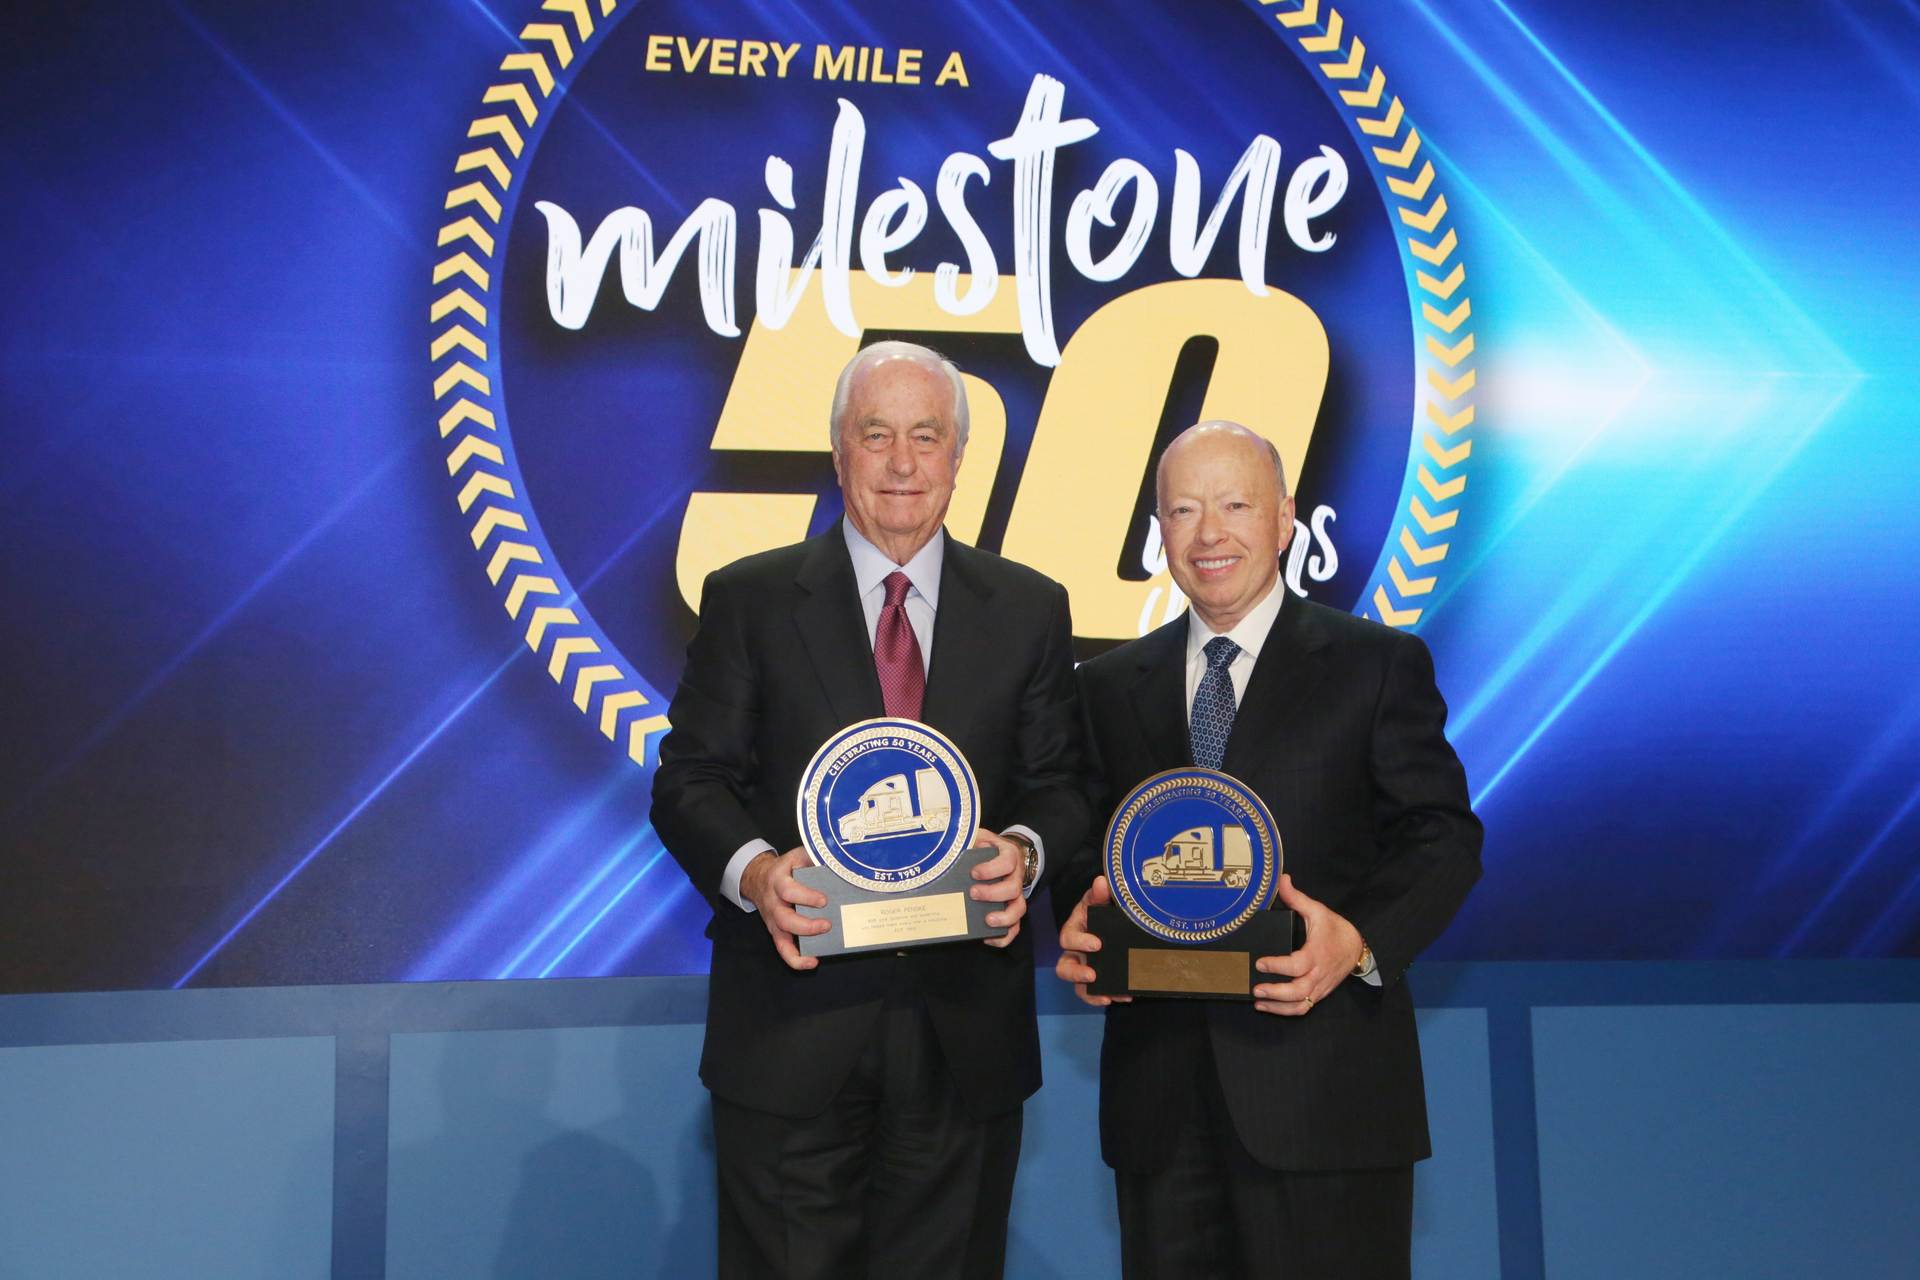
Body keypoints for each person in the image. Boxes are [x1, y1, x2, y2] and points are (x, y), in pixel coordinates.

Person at [652, 341, 1092, 1280]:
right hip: (790, 1024)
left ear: (958, 456)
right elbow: (690, 780)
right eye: (876, 434)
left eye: (926, 437)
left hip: (963, 1032)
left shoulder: (1028, 608)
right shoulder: (749, 599)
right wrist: (755, 873)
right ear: (838, 450)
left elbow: (1063, 785)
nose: (902, 463)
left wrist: (1023, 853)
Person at [1054, 421, 1483, 1280]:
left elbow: (1442, 836)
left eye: (1236, 506)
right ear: (1160, 531)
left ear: (1285, 519)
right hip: (1159, 1111)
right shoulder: (1103, 686)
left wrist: (1357, 942)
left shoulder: (1376, 664)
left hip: (1325, 1097)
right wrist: (1081, 920)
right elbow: (1085, 849)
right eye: (1183, 510)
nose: (1209, 534)